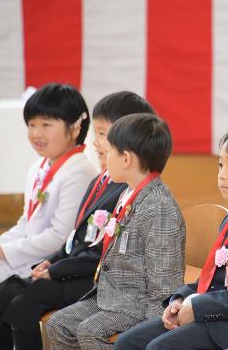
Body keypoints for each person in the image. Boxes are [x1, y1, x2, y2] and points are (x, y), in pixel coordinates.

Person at [0, 91, 155, 350]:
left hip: (94, 280)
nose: (96, 142)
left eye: (104, 134)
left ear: (129, 139)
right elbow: (76, 236)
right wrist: (53, 260)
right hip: (74, 268)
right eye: (96, 133)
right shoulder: (100, 181)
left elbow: (101, 253)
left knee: (22, 304)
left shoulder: (126, 191)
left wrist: (55, 271)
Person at [0, 83, 97, 350]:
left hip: (50, 261)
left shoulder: (79, 171)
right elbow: (27, 222)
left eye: (46, 125)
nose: (36, 133)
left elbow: (59, 237)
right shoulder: (39, 166)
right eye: (31, 125)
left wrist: (2, 253)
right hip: (28, 253)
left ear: (75, 128)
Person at [114, 124, 228, 350]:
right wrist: (180, 300)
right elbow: (212, 278)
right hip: (218, 313)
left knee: (160, 348)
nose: (222, 174)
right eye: (220, 165)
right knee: (127, 343)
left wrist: (199, 307)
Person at [46, 113, 186, 350]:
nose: (104, 156)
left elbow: (164, 287)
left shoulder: (159, 208)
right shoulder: (128, 193)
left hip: (138, 306)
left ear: (126, 159)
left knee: (91, 331)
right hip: (111, 296)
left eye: (109, 151)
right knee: (59, 324)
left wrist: (153, 333)